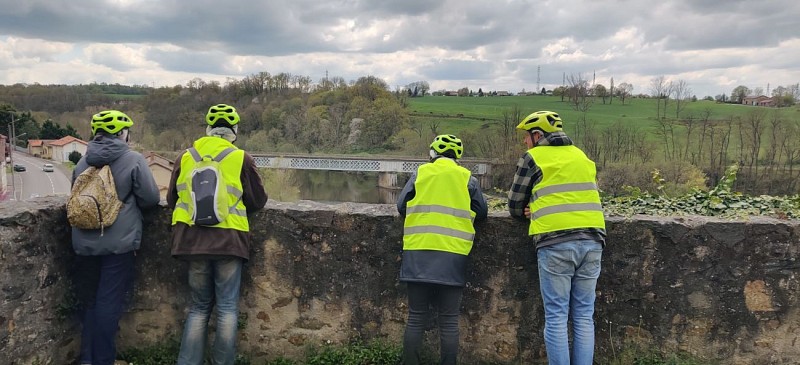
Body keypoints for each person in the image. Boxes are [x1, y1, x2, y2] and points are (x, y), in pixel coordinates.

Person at [168, 103, 268, 365]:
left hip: (191, 241)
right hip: (229, 242)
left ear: (208, 129)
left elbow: (171, 199)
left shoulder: (186, 157)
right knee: (226, 309)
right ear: (233, 131)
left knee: (199, 308)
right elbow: (258, 201)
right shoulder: (240, 158)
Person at [507, 111, 606, 365]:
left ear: (538, 135)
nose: (525, 142)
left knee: (556, 317)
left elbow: (515, 204)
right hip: (593, 240)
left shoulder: (533, 157)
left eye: (527, 137)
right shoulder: (582, 156)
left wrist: (529, 208)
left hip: (556, 242)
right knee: (584, 316)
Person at [71, 110, 161, 365]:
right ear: (123, 134)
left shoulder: (82, 162)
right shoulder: (133, 159)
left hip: (82, 244)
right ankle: (103, 360)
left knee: (89, 302)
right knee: (108, 304)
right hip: (118, 245)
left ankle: (86, 359)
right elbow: (151, 199)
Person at [396, 134, 488, 365]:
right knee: (448, 320)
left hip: (418, 251)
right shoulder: (468, 179)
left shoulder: (421, 173)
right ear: (457, 157)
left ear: (432, 154)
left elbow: (401, 206)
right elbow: (482, 212)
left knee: (416, 317)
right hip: (453, 255)